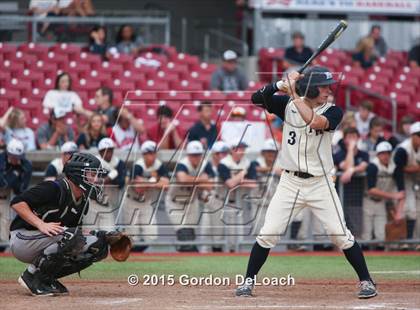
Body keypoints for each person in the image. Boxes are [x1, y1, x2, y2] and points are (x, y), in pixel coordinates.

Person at [236, 66, 377, 299]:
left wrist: (292, 93)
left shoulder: (333, 111)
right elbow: (256, 99)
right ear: (310, 88)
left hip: (320, 183)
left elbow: (315, 122)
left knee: (339, 234)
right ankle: (247, 282)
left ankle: (366, 281)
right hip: (289, 182)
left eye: (328, 86)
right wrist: (278, 85)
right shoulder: (287, 105)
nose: (328, 90)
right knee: (268, 232)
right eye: (323, 86)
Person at [8, 152, 119, 296]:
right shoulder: (53, 187)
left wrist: (101, 236)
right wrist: (41, 224)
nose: (96, 179)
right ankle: (31, 277)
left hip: (44, 240)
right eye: (92, 174)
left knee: (98, 245)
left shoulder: (83, 201)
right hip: (22, 238)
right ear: (78, 174)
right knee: (72, 237)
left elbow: (75, 232)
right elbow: (17, 202)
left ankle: (46, 278)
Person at [165, 141, 214, 252]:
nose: (196, 158)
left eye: (198, 155)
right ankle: (193, 254)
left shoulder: (205, 164)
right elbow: (182, 179)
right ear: (188, 155)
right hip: (175, 203)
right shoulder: (183, 164)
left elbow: (210, 186)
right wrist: (201, 180)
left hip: (191, 203)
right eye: (193, 155)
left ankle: (184, 255)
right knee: (183, 232)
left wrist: (192, 180)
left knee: (190, 233)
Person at [120, 140, 169, 249]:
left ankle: (141, 254)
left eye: (154, 152)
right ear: (144, 154)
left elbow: (166, 186)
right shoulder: (138, 165)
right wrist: (154, 180)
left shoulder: (159, 165)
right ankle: (133, 257)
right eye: (150, 153)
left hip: (146, 203)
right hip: (132, 202)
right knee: (132, 237)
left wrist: (145, 181)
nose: (153, 155)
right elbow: (138, 189)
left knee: (151, 234)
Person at [361, 141, 404, 249]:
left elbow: (402, 191)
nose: (385, 156)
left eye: (388, 153)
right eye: (382, 153)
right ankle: (363, 261)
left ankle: (378, 261)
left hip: (381, 202)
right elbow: (371, 189)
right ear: (378, 154)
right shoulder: (373, 166)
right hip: (369, 201)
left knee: (381, 235)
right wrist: (392, 196)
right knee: (367, 234)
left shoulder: (394, 167)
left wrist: (399, 212)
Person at [218, 140, 257, 252]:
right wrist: (242, 174)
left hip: (240, 203)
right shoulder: (224, 163)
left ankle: (236, 259)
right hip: (224, 203)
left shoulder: (248, 162)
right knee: (225, 236)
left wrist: (237, 180)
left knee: (239, 235)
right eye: (239, 148)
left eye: (243, 149)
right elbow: (230, 184)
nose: (242, 151)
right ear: (232, 149)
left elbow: (253, 183)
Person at [334, 127, 369, 237]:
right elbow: (346, 165)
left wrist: (352, 170)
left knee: (356, 229)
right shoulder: (339, 154)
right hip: (341, 197)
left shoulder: (363, 154)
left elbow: (363, 166)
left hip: (357, 198)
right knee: (339, 229)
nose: (352, 140)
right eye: (349, 137)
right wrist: (350, 150)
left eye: (354, 137)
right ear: (344, 140)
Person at [393, 122, 420, 247]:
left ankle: (414, 241)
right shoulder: (403, 149)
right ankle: (406, 241)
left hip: (415, 180)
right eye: (418, 135)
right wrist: (401, 190)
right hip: (401, 180)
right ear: (412, 135)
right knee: (409, 210)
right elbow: (398, 170)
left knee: (416, 211)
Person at [201, 140, 230, 253]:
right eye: (220, 153)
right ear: (214, 154)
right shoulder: (206, 166)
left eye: (224, 153)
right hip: (208, 201)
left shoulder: (227, 166)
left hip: (221, 201)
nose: (223, 156)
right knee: (205, 232)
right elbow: (201, 182)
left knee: (218, 237)